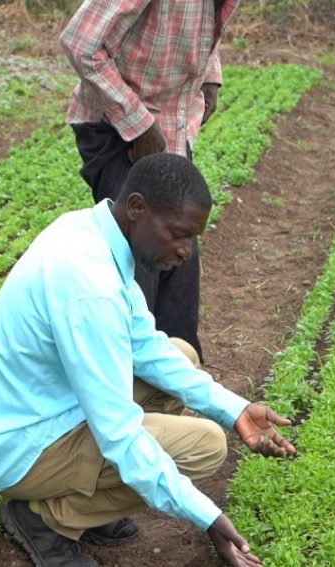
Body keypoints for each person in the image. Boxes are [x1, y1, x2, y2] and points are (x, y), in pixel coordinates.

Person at [0, 154, 296, 567]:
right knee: (204, 447)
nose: (185, 251)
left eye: (191, 238)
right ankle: (48, 519)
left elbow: (145, 346)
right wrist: (207, 518)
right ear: (138, 208)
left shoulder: (88, 231)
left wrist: (236, 409)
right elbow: (118, 433)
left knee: (179, 354)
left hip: (33, 410)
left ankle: (87, 501)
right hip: (20, 448)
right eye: (178, 234)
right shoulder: (90, 288)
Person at [59, 0, 238, 364]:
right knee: (136, 275)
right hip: (120, 134)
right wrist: (136, 122)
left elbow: (206, 25)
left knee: (179, 270)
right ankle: (120, 397)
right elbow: (81, 42)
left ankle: (171, 392)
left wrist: (209, 77)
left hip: (172, 128)